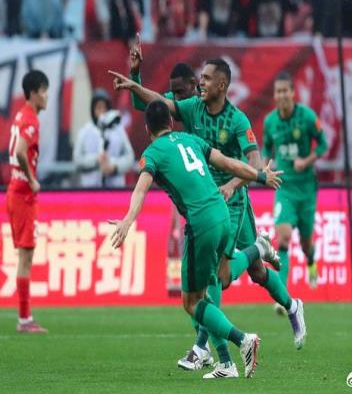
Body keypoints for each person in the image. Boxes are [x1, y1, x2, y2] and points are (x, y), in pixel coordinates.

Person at [109, 57, 306, 378]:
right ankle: (285, 302)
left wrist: (246, 179)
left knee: (214, 283)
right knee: (243, 274)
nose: (200, 84)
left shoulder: (237, 119)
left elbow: (249, 161)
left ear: (222, 85)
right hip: (213, 201)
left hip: (232, 201)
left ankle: (212, 350)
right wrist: (134, 81)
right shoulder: (192, 111)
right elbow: (154, 103)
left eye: (206, 78)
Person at [262, 72, 328, 314]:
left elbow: (323, 144)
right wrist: (265, 167)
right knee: (283, 238)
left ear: (292, 93)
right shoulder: (270, 122)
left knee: (306, 243)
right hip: (284, 187)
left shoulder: (307, 117)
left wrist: (307, 160)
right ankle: (283, 295)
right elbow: (266, 148)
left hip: (307, 189)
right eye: (277, 92)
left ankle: (311, 261)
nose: (281, 95)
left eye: (285, 91)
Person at [7, 70, 49, 333]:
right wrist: (32, 179)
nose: (46, 96)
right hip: (23, 194)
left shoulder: (20, 115)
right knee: (25, 257)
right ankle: (24, 320)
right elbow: (20, 151)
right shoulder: (31, 119)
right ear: (33, 93)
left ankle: (25, 318)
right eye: (44, 91)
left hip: (15, 191)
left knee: (24, 256)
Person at [73, 88, 134, 188]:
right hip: (90, 189)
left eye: (105, 108)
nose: (102, 112)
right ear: (92, 110)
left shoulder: (118, 130)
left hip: (115, 188)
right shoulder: (84, 132)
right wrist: (96, 160)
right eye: (98, 108)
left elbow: (130, 157)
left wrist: (114, 166)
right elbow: (77, 160)